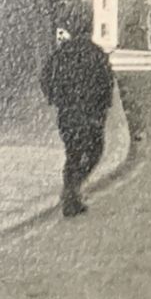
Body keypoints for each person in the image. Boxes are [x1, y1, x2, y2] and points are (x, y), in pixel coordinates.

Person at [39, 23, 116, 218]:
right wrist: (102, 110)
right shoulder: (96, 54)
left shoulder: (61, 54)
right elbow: (107, 84)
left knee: (72, 154)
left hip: (68, 113)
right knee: (94, 152)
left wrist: (56, 99)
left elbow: (45, 79)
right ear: (89, 32)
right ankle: (73, 190)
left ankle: (71, 193)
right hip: (90, 114)